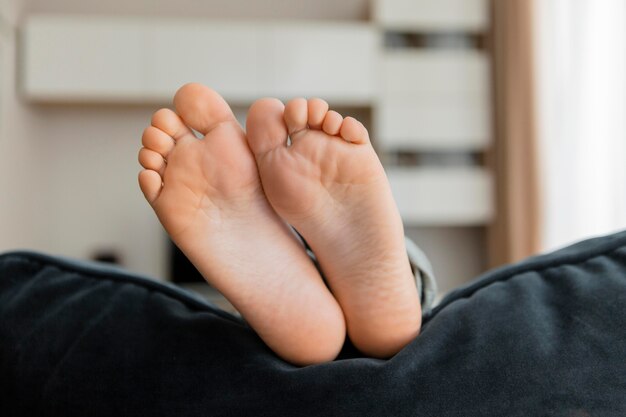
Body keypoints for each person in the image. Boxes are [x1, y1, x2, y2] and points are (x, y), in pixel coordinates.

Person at [137, 83, 434, 366]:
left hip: (303, 290)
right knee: (396, 268)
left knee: (303, 266)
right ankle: (405, 296)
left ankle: (316, 321)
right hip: (354, 283)